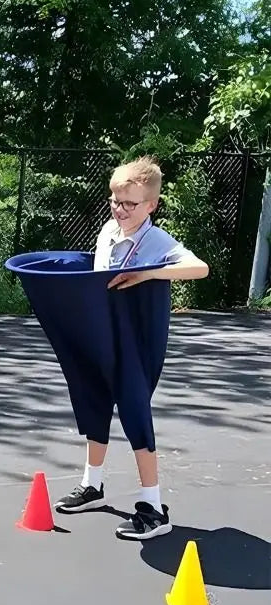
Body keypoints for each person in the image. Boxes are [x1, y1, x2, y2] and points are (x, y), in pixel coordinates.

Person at [53, 155, 209, 540]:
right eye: (115, 200)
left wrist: (148, 273)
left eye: (130, 204)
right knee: (94, 403)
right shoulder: (108, 230)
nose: (120, 210)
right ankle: (92, 485)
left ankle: (154, 509)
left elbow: (199, 268)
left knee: (134, 413)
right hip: (103, 334)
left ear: (151, 205)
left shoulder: (156, 241)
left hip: (137, 343)